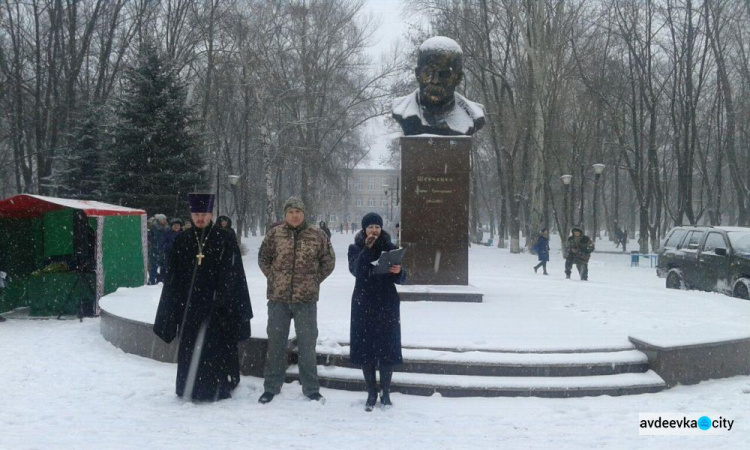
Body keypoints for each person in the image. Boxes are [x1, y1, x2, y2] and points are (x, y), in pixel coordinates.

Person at [153, 193, 253, 402]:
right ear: (191, 214)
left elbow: (234, 273)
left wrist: (224, 299)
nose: (200, 218)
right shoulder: (182, 240)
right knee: (191, 348)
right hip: (189, 306)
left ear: (211, 214)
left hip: (218, 307)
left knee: (216, 348)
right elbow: (174, 277)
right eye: (196, 214)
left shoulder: (224, 238)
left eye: (204, 214)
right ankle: (189, 388)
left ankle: (217, 388)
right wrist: (173, 306)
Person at [257, 196, 336, 404]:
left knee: (307, 345)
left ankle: (311, 388)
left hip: (306, 300)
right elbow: (263, 258)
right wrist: (274, 278)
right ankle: (271, 387)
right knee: (276, 344)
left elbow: (328, 262)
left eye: (298, 212)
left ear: (304, 214)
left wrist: (313, 280)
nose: (294, 215)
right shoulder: (275, 234)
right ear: (285, 214)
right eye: (291, 212)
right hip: (278, 299)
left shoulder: (317, 235)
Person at [348, 212, 406, 411]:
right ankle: (371, 392)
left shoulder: (391, 249)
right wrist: (367, 249)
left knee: (387, 348)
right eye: (370, 226)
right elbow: (356, 270)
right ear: (364, 229)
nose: (374, 230)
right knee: (367, 349)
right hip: (364, 303)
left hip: (386, 303)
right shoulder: (355, 248)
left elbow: (402, 279)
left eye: (377, 227)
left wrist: (399, 272)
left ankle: (386, 391)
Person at [392, 36, 485, 136]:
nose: (435, 81)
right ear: (417, 74)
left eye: (444, 74)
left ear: (458, 78)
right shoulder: (400, 109)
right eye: (429, 72)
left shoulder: (473, 115)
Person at [148, 214, 168, 284]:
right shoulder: (153, 228)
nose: (165, 221)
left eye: (165, 219)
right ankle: (152, 281)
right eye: (163, 219)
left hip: (163, 249)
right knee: (154, 266)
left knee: (163, 266)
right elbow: (150, 238)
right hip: (155, 249)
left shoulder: (166, 228)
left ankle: (161, 280)